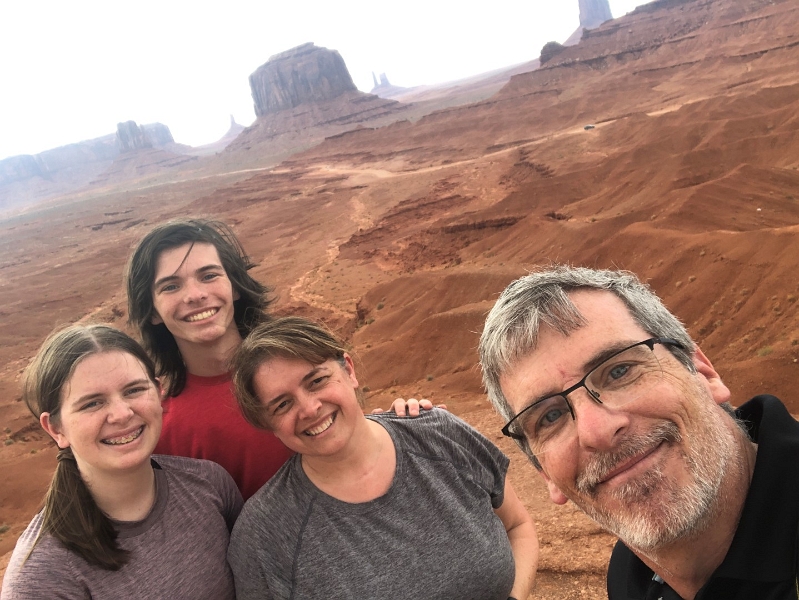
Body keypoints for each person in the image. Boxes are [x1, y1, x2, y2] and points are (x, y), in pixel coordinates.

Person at [478, 265, 799, 599]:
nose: (597, 431)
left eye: (619, 371)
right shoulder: (630, 574)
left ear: (703, 372)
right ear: (545, 473)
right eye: (550, 416)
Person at [226, 316, 538, 600]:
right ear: (268, 424)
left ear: (349, 370)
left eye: (317, 381)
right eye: (282, 404)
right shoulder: (264, 534)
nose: (309, 409)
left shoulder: (441, 436)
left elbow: (518, 526)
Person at [126, 218, 426, 500]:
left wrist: (401, 425)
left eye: (208, 276)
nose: (195, 295)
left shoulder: (302, 361)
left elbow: (353, 438)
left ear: (234, 285)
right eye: (171, 286)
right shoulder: (161, 428)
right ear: (151, 311)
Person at [1, 324, 242, 599]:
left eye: (134, 390)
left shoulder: (210, 484)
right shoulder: (42, 577)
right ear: (56, 429)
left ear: (159, 392)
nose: (121, 414)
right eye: (92, 403)